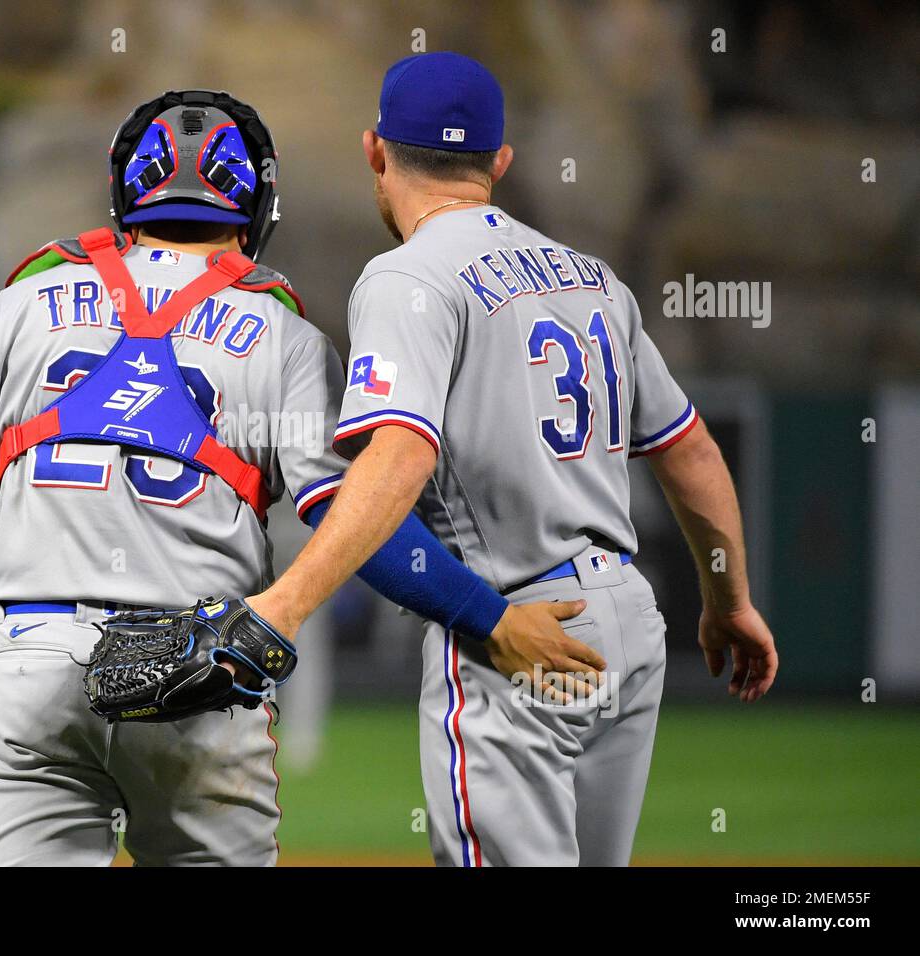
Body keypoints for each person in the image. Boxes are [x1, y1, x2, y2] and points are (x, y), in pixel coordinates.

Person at [0, 88, 589, 866]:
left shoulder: (23, 305)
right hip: (200, 667)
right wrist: (487, 617)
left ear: (125, 194)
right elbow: (361, 524)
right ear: (257, 204)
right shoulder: (286, 339)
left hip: (31, 663)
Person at [246, 52, 779, 866]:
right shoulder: (593, 278)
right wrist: (727, 598)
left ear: (374, 151)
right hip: (629, 628)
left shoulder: (407, 277)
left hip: (519, 631)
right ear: (499, 162)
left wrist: (281, 606)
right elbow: (691, 448)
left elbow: (397, 459)